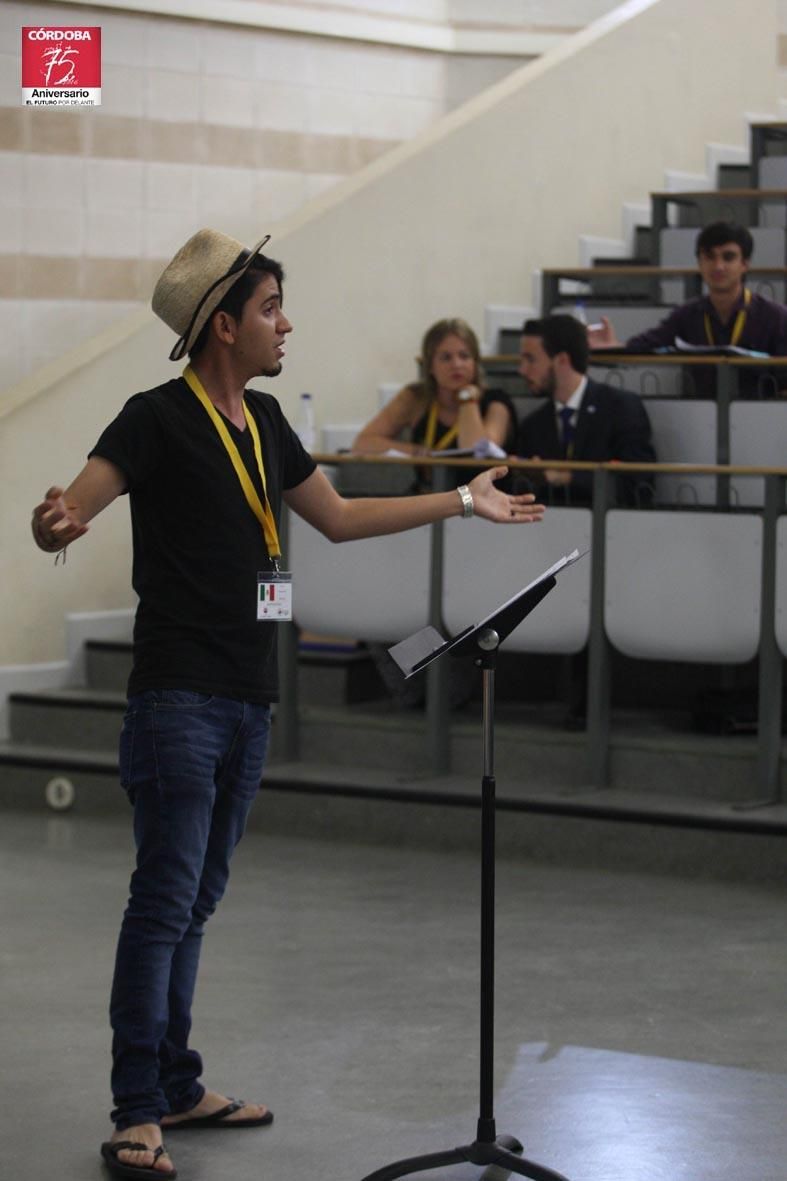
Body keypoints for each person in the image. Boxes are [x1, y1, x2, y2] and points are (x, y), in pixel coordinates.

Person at [30, 229, 544, 1181]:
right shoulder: (151, 418)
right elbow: (74, 505)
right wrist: (49, 518)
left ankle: (177, 1082)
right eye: (271, 309)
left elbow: (341, 519)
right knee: (163, 903)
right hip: (176, 699)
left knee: (197, 903)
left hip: (246, 698)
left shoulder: (265, 421)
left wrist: (462, 502)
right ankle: (137, 1108)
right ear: (222, 326)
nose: (285, 324)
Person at [587, 221, 787, 398]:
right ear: (699, 263)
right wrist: (615, 348)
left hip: (762, 417)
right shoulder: (687, 314)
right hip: (702, 417)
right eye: (709, 257)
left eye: (728, 257)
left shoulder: (775, 317)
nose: (718, 266)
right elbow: (647, 344)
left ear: (744, 264)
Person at [352, 317, 516, 485]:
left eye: (464, 356)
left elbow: (477, 452)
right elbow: (363, 443)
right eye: (446, 358)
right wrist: (416, 452)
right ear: (430, 366)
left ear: (475, 363)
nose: (457, 364)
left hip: (483, 500)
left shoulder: (496, 401)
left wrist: (467, 400)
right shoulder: (415, 397)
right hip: (429, 498)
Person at [516, 314, 656, 507]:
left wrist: (568, 477)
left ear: (562, 360)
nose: (522, 370)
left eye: (531, 360)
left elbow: (637, 484)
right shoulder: (533, 425)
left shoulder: (620, 408)